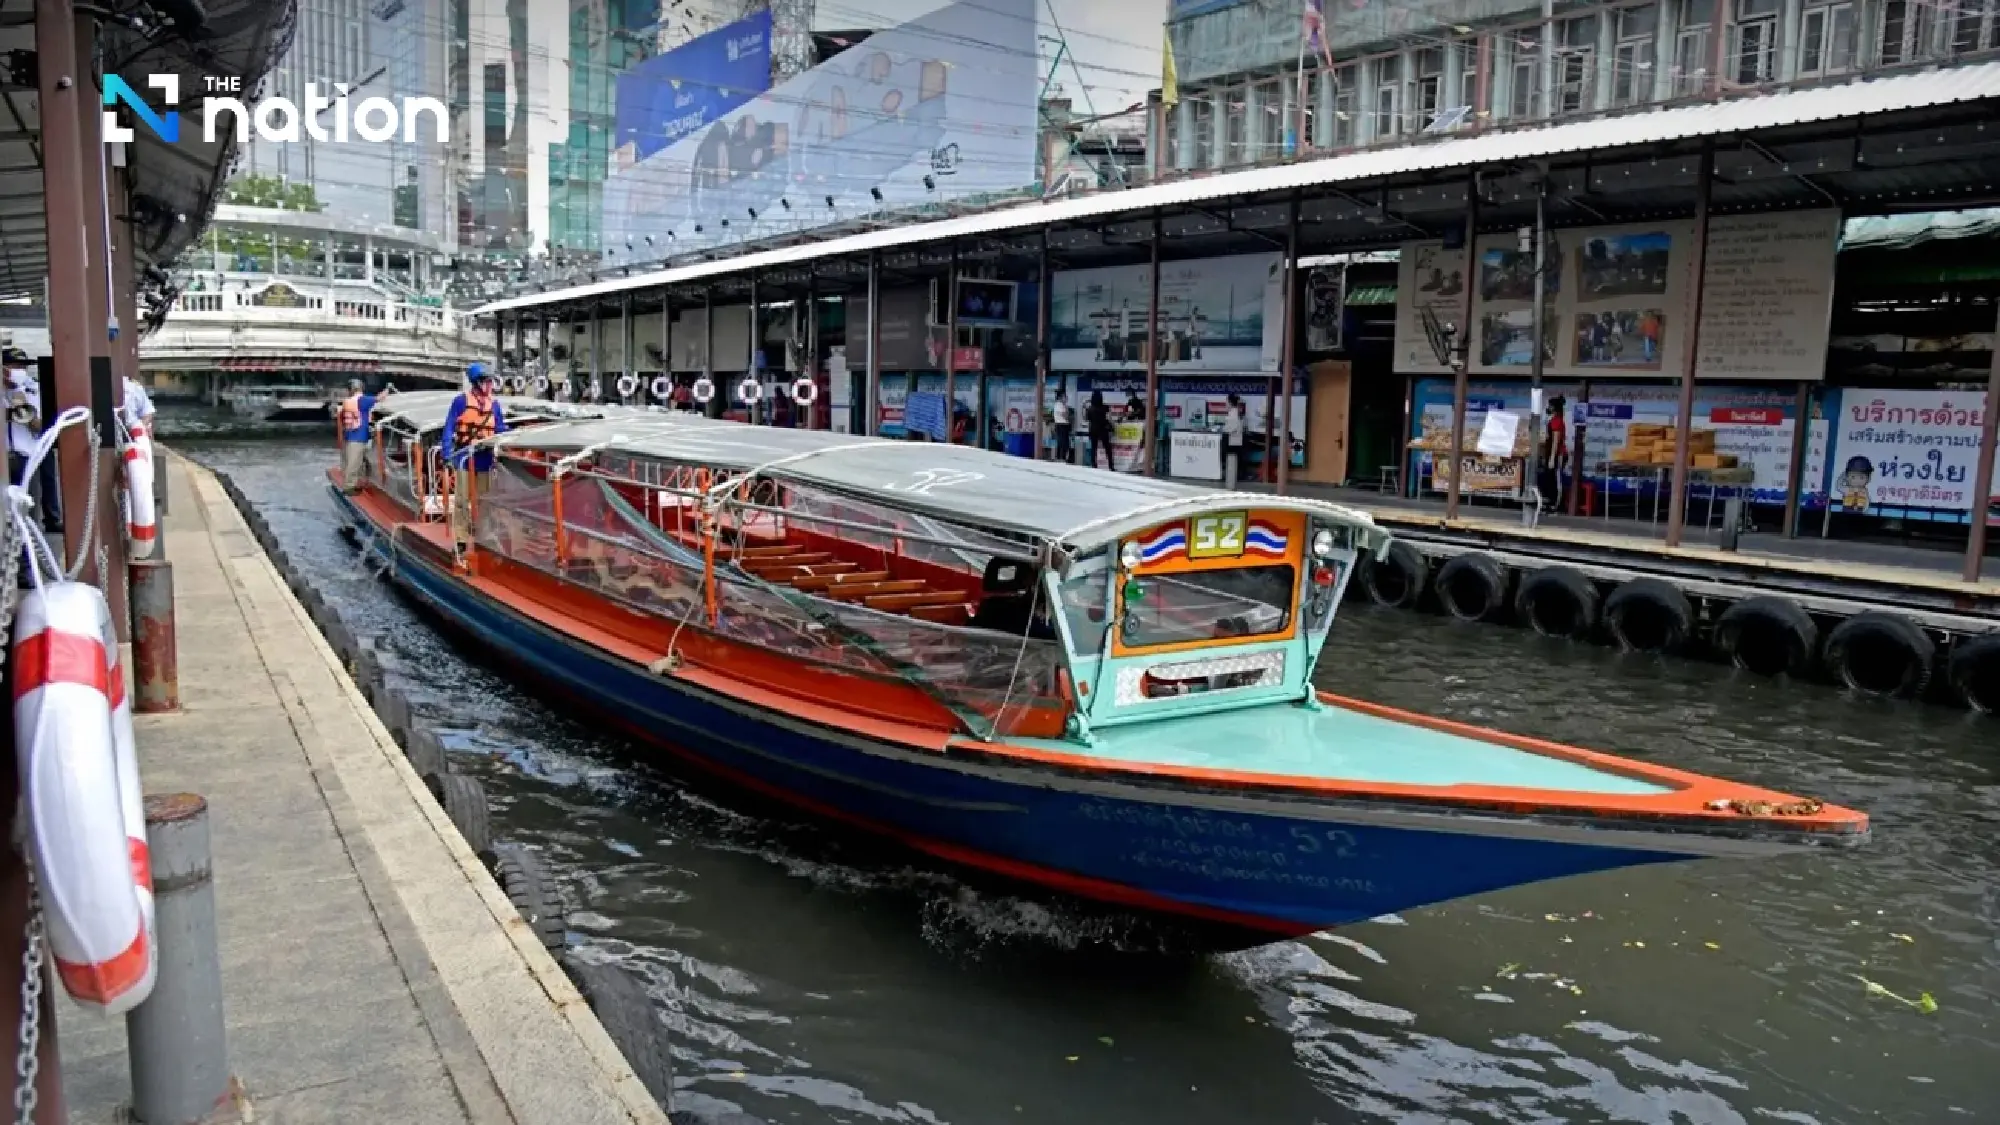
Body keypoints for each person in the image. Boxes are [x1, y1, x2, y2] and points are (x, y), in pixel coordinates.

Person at [441, 363, 508, 555]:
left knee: (484, 501)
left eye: (490, 381)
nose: (489, 386)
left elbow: (499, 429)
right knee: (462, 500)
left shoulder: (494, 405)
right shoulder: (460, 401)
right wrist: (447, 455)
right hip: (464, 458)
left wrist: (517, 434)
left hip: (484, 459)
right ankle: (461, 540)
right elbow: (448, 429)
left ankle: (484, 537)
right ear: (476, 383)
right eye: (486, 381)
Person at [4, 347, 59, 532]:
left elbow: (38, 424)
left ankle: (29, 558)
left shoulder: (33, 390)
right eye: (14, 366)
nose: (19, 370)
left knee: (27, 511)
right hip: (4, 458)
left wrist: (19, 402)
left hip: (25, 455)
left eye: (22, 366)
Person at [334, 378, 379, 492]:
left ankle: (359, 481)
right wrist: (387, 391)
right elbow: (379, 399)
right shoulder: (361, 400)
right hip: (359, 437)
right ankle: (349, 487)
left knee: (358, 462)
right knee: (354, 464)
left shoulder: (348, 402)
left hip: (352, 436)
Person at [1220, 393, 1245, 490]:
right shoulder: (1236, 413)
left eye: (1226, 402)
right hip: (1235, 442)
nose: (1225, 404)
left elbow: (1228, 429)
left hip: (1232, 443)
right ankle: (1230, 485)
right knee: (1232, 465)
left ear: (1230, 403)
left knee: (1231, 466)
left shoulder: (1232, 415)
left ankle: (1230, 486)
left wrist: (1223, 429)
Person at [1085, 390, 1113, 471]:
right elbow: (1109, 418)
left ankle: (1094, 464)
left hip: (1093, 429)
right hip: (1103, 429)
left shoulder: (1090, 409)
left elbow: (1088, 419)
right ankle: (1111, 465)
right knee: (1107, 448)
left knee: (1094, 447)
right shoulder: (1105, 407)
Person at [1050, 389, 1072, 463]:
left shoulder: (1063, 405)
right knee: (1062, 441)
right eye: (1065, 396)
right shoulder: (1059, 405)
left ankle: (1063, 457)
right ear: (1061, 397)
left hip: (1064, 425)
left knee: (1065, 441)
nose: (1066, 398)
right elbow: (1065, 415)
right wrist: (1067, 414)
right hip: (1061, 425)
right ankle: (1061, 457)